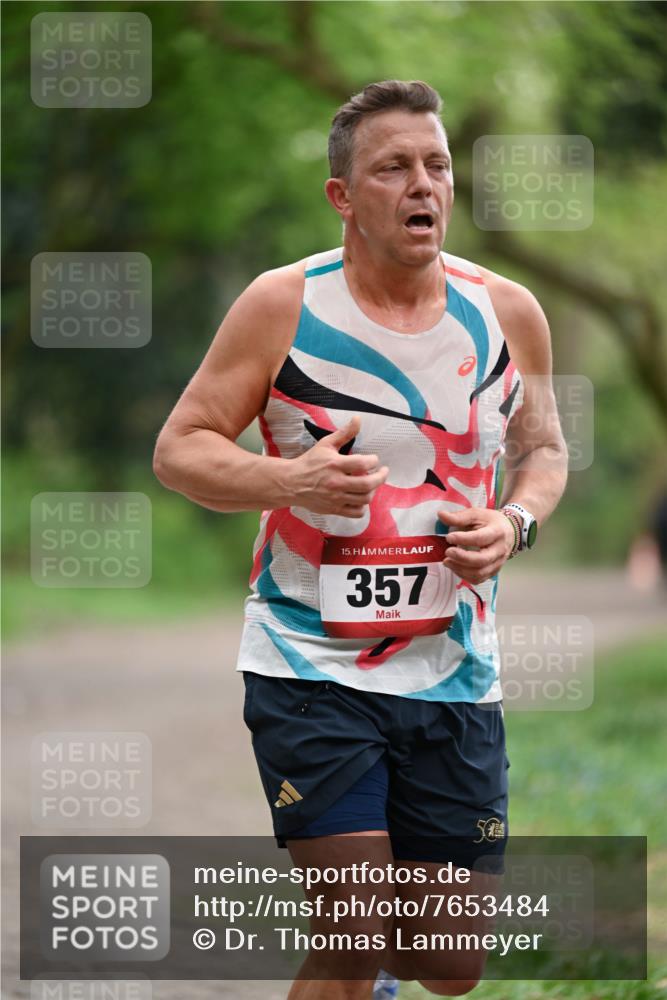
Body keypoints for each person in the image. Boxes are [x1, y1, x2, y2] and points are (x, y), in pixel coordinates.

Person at [154, 80, 568, 1000]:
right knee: (350, 931)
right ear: (342, 196)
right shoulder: (281, 305)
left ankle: (380, 971)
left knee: (449, 965)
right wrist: (287, 481)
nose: (423, 184)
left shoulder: (508, 312)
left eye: (436, 165)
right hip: (310, 667)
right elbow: (179, 449)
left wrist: (513, 522)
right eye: (393, 168)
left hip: (454, 673)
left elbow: (542, 449)